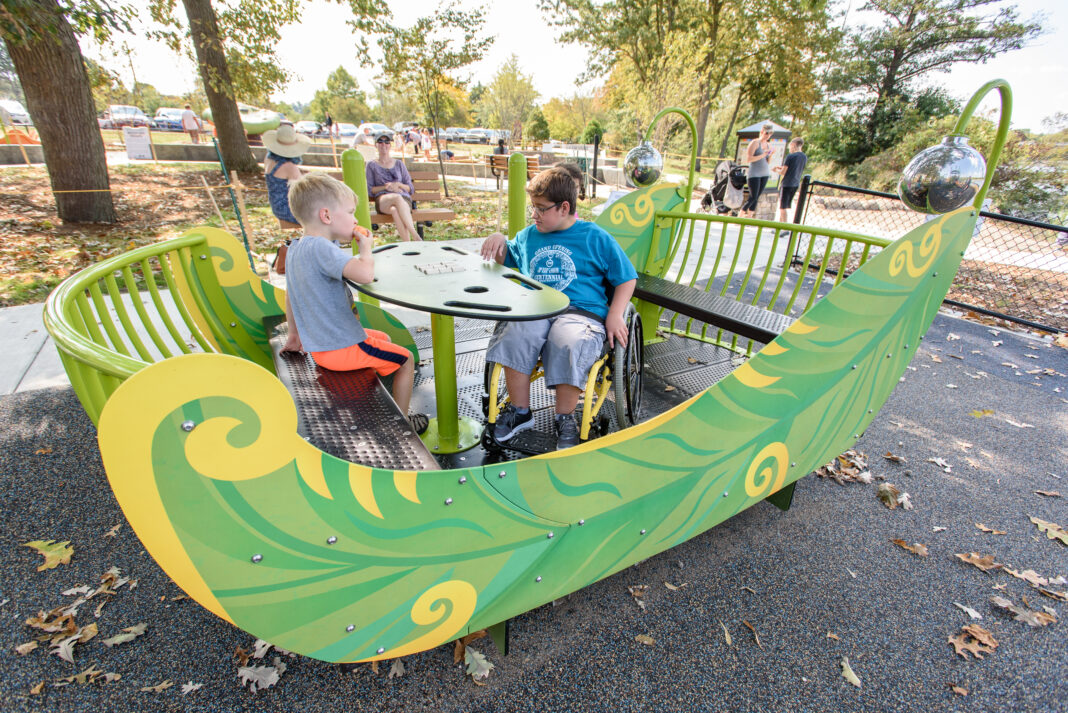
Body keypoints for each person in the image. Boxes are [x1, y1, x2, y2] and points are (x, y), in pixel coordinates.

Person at [479, 168, 637, 450]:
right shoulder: (529, 236)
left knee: (568, 340)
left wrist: (615, 314)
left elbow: (626, 277)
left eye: (541, 209)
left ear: (564, 208)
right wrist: (498, 238)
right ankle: (520, 411)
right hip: (537, 309)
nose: (534, 215)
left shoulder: (593, 236)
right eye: (533, 208)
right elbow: (508, 257)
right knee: (515, 331)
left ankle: (565, 417)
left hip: (580, 311)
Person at [280, 173, 427, 433]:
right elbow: (365, 274)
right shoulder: (322, 248)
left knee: (383, 338)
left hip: (321, 344)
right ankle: (401, 425)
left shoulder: (296, 248)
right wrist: (366, 248)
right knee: (405, 360)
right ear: (326, 216)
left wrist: (294, 334)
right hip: (340, 346)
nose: (356, 219)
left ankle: (375, 400)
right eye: (350, 212)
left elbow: (290, 295)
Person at [366, 132, 420, 241]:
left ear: (390, 145)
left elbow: (411, 188)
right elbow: (370, 190)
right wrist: (386, 187)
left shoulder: (399, 164)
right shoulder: (371, 165)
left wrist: (398, 185)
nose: (383, 144)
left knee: (395, 210)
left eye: (387, 142)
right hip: (383, 200)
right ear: (376, 145)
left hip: (404, 200)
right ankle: (415, 235)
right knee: (396, 197)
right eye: (380, 142)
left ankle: (407, 244)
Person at [262, 122, 311, 225]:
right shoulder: (289, 167)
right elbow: (303, 191)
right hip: (290, 210)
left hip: (277, 207)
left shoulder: (268, 158)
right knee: (326, 219)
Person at [772, 137, 807, 227]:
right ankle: (779, 226)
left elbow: (783, 172)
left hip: (787, 183)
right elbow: (794, 168)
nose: (790, 149)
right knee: (785, 205)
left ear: (793, 145)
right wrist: (781, 168)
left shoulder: (790, 156)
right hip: (795, 183)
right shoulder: (803, 157)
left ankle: (785, 226)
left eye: (790, 147)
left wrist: (776, 170)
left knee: (782, 207)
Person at [741, 124, 774, 219]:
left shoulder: (768, 145)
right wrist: (763, 154)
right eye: (767, 133)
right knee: (753, 196)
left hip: (764, 173)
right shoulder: (755, 143)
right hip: (754, 174)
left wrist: (770, 154)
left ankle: (749, 217)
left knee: (757, 197)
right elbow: (749, 159)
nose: (768, 135)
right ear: (762, 132)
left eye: (770, 133)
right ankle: (741, 214)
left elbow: (767, 161)